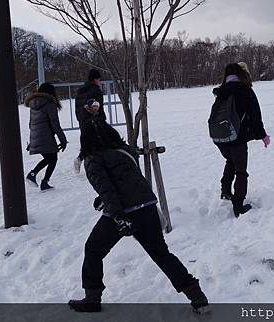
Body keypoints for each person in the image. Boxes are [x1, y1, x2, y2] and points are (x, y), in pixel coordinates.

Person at [68, 108, 208, 313]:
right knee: (161, 254)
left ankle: (92, 298)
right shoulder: (126, 151)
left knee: (93, 249)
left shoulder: (93, 159)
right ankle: (196, 295)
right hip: (147, 206)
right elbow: (127, 181)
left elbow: (108, 189)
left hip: (124, 212)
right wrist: (105, 200)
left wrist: (118, 217)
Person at [208, 63, 270, 218]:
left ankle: (225, 191)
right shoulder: (245, 91)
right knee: (241, 170)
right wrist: (263, 135)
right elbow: (256, 116)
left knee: (230, 161)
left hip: (220, 137)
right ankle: (238, 206)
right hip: (237, 137)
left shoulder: (221, 92)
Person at [25, 82, 67, 191]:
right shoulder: (49, 105)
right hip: (46, 136)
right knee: (52, 158)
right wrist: (63, 140)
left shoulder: (33, 104)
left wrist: (32, 141)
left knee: (50, 158)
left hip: (37, 136)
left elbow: (31, 124)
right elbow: (55, 125)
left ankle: (37, 177)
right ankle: (40, 179)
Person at [73, 68, 106, 174]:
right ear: (95, 79)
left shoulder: (80, 91)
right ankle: (95, 164)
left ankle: (80, 159)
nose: (100, 81)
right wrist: (101, 120)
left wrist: (81, 119)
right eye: (99, 79)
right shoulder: (96, 91)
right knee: (99, 141)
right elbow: (98, 108)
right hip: (94, 120)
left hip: (83, 120)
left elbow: (77, 107)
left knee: (87, 141)